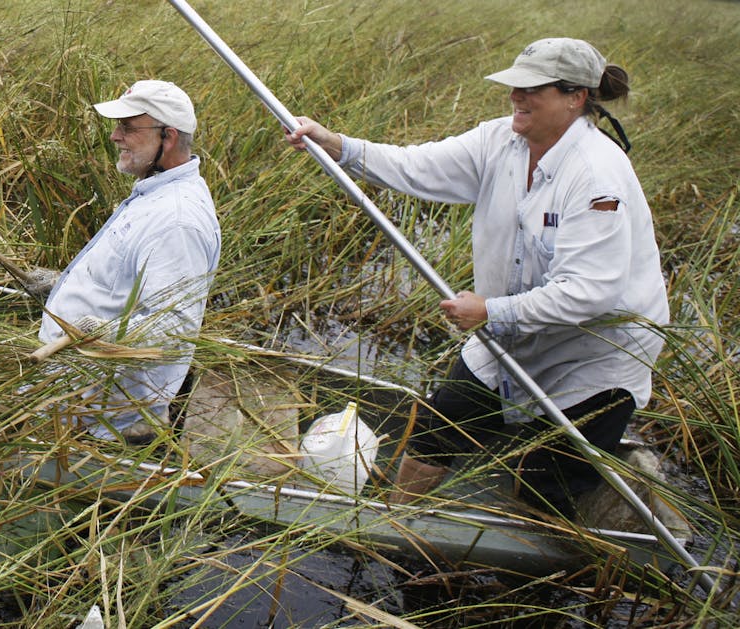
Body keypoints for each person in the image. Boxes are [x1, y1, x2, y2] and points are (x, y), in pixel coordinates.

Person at [286, 38, 668, 517]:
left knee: (545, 480)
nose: (517, 97)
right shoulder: (500, 140)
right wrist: (339, 146)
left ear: (576, 97)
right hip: (512, 334)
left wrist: (490, 310)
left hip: (592, 354)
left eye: (533, 90)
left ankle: (522, 576)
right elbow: (416, 165)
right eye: (515, 87)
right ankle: (394, 527)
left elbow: (589, 293)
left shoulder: (596, 176)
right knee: (436, 428)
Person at [34, 79, 221, 444]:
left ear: (167, 137)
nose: (116, 137)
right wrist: (58, 287)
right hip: (74, 400)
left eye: (128, 128)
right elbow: (125, 281)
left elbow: (173, 331)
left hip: (103, 425)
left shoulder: (178, 220)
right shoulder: (157, 190)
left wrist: (98, 332)